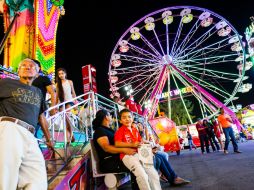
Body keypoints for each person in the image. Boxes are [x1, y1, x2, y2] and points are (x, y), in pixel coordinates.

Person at [0, 58, 53, 190]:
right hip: (11, 128)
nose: (27, 67)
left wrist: (49, 139)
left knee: (38, 180)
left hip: (30, 135)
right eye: (23, 65)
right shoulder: (6, 83)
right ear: (18, 71)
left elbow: (41, 117)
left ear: (37, 73)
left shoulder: (38, 92)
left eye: (31, 66)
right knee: (6, 176)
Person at [114, 108, 161, 190]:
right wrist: (132, 144)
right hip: (127, 156)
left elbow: (140, 142)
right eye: (124, 117)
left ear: (132, 118)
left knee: (153, 174)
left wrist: (150, 147)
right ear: (120, 120)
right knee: (142, 175)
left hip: (139, 154)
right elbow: (117, 144)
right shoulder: (120, 131)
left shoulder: (135, 130)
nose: (127, 119)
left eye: (129, 117)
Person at [92, 109, 138, 189]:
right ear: (106, 117)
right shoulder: (100, 130)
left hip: (116, 160)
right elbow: (106, 147)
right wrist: (124, 150)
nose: (111, 117)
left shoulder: (109, 130)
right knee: (137, 165)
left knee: (143, 160)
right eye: (110, 115)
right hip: (109, 162)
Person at [56, 68, 77, 143]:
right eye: (59, 74)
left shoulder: (70, 82)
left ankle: (70, 136)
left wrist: (76, 103)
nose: (61, 75)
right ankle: (70, 136)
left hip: (69, 102)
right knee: (65, 121)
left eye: (62, 73)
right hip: (62, 103)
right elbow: (57, 95)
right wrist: (55, 106)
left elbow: (73, 92)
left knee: (67, 118)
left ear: (65, 73)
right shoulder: (58, 84)